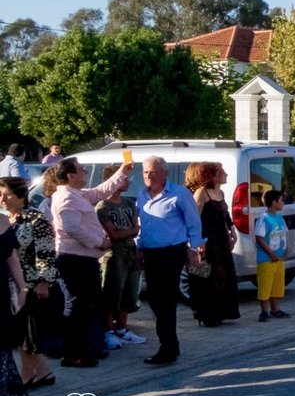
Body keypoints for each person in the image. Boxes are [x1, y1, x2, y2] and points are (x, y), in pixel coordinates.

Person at [51, 157, 133, 368]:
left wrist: (122, 172)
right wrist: (99, 242)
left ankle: (84, 349)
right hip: (75, 260)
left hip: (84, 260)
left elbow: (99, 192)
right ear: (70, 175)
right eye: (81, 169)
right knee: (78, 308)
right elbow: (72, 228)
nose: (85, 171)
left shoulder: (76, 194)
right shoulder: (66, 197)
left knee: (88, 307)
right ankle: (72, 353)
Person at [136, 156, 204, 365]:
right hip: (150, 252)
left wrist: (194, 248)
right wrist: (138, 248)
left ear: (165, 173)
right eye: (146, 172)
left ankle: (168, 348)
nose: (150, 176)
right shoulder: (141, 194)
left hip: (172, 252)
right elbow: (142, 224)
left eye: (154, 172)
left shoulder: (179, 193)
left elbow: (193, 221)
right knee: (155, 301)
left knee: (165, 300)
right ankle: (168, 344)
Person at [0, 177, 60, 388]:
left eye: (7, 195)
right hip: (11, 286)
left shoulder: (36, 219)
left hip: (32, 285)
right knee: (19, 335)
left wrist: (44, 282)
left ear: (21, 196)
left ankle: (30, 375)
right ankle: (42, 372)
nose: (3, 199)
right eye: (0, 195)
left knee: (28, 335)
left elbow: (46, 253)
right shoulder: (6, 219)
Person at [95, 164, 146, 346]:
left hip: (129, 252)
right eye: (125, 178)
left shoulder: (129, 203)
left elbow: (135, 229)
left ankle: (122, 328)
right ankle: (108, 330)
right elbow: (113, 234)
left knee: (128, 292)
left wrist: (128, 231)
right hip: (113, 255)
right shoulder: (102, 206)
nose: (129, 181)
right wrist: (129, 231)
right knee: (111, 293)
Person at [189, 162, 240, 327]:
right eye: (221, 172)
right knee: (207, 276)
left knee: (224, 275)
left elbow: (226, 216)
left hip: (221, 240)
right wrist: (195, 242)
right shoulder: (201, 193)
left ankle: (223, 312)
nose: (225, 174)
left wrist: (232, 231)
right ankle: (207, 314)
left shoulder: (221, 193)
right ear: (212, 175)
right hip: (207, 241)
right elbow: (194, 219)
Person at [0, 215, 36, 396]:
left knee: (2, 347)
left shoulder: (3, 220)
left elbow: (12, 258)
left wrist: (22, 288)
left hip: (0, 295)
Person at [254, 189, 290, 322]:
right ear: (274, 202)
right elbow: (260, 237)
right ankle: (264, 310)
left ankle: (276, 309)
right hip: (266, 260)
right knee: (265, 284)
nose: (283, 203)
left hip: (278, 259)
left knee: (277, 285)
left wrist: (286, 250)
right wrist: (270, 253)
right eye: (281, 201)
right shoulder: (264, 218)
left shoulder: (280, 218)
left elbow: (284, 234)